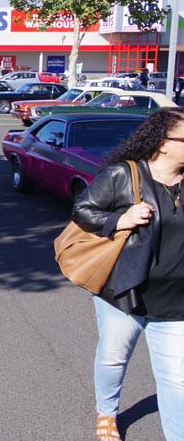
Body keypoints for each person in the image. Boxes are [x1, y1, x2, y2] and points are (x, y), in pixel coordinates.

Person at [72, 108, 184, 441]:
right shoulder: (124, 175)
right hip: (125, 292)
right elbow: (82, 210)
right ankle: (107, 413)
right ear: (163, 143)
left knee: (177, 381)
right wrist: (119, 220)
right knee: (114, 358)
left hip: (176, 301)